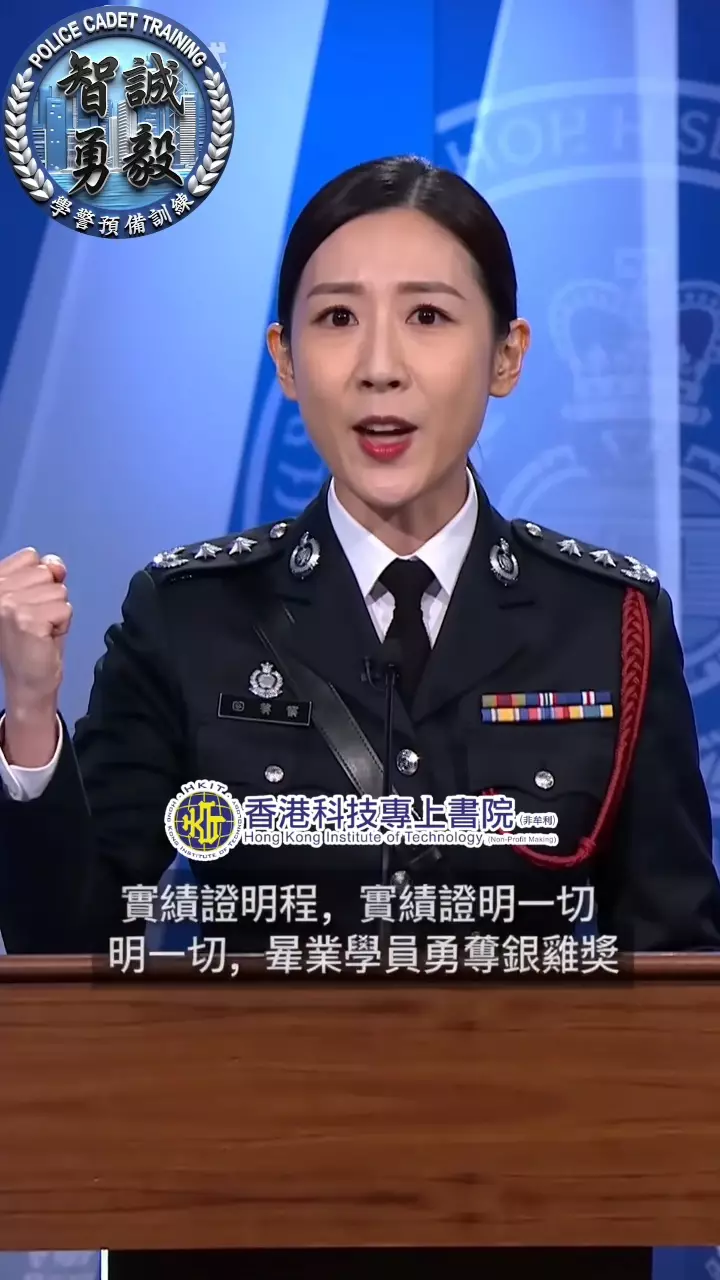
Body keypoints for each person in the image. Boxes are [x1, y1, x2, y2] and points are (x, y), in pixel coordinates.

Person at [0, 155, 718, 1280]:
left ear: (508, 356)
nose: (380, 365)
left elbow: (673, 964)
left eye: (429, 316)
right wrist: (30, 714)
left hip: (526, 1221)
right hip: (243, 1218)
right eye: (336, 319)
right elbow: (71, 943)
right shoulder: (188, 614)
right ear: (286, 360)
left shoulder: (610, 621)